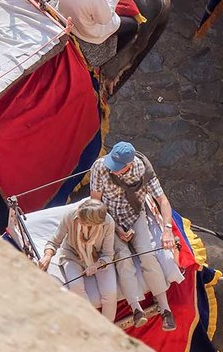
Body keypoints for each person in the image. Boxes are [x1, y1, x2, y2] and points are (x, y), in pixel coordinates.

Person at [90, 141, 183, 332]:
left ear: (129, 165)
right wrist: (115, 229)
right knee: (124, 258)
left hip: (135, 216)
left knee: (148, 255)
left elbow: (162, 200)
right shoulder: (100, 167)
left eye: (116, 167)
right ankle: (136, 308)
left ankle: (165, 309)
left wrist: (166, 230)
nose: (111, 169)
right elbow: (96, 203)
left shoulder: (143, 170)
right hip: (110, 219)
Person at [38, 198, 123, 322]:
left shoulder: (108, 223)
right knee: (75, 285)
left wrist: (97, 265)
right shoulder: (71, 216)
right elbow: (54, 241)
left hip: (98, 258)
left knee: (110, 293)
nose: (77, 221)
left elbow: (108, 255)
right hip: (72, 255)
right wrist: (47, 256)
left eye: (82, 221)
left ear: (94, 223)